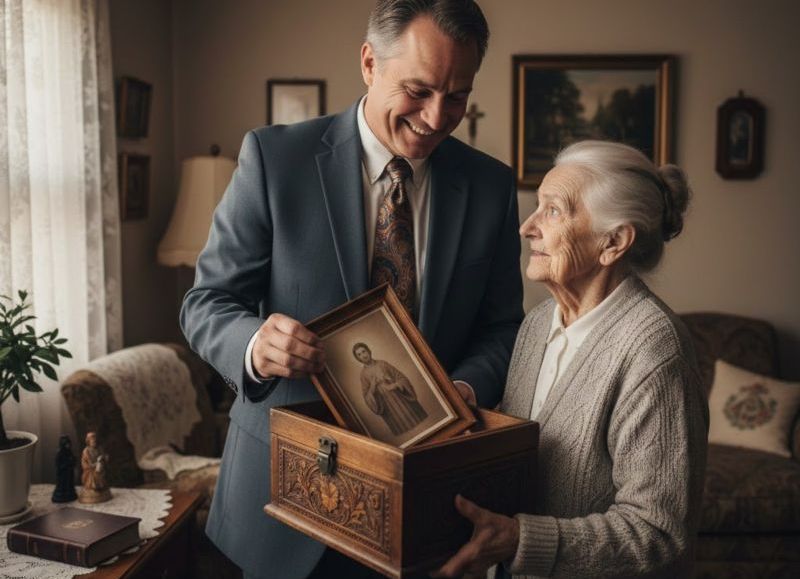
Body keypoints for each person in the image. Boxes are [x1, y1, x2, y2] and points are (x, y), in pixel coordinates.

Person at [180, 1, 523, 577]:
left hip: (424, 507)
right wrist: (254, 346)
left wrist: (464, 386)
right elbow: (206, 303)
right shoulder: (274, 158)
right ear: (369, 63)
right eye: (419, 90)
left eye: (458, 96)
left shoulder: (490, 186)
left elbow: (501, 326)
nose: (438, 117)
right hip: (278, 506)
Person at [435, 141, 709, 579]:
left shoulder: (654, 350)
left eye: (554, 211)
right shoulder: (538, 323)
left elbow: (659, 532)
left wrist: (520, 541)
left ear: (614, 242)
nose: (527, 227)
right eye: (536, 207)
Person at [353, 342, 428, 436]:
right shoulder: (363, 375)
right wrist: (373, 386)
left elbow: (401, 377)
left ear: (369, 351)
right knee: (406, 434)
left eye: (364, 351)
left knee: (422, 426)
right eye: (359, 354)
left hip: (402, 399)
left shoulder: (383, 363)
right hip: (388, 409)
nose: (363, 355)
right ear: (358, 358)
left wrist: (395, 385)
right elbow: (367, 397)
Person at [78, 431, 111, 503]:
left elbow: (103, 456)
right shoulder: (86, 451)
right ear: (88, 441)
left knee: (100, 470)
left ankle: (101, 487)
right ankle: (94, 487)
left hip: (99, 468)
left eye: (95, 441)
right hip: (90, 469)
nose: (94, 442)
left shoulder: (99, 448)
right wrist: (96, 463)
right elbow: (88, 464)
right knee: (94, 474)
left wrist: (105, 457)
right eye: (92, 441)